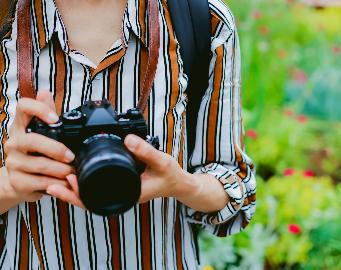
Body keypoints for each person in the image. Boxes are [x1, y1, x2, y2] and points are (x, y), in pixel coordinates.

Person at [0, 0, 256, 268]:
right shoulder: (7, 22)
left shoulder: (204, 19)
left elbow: (233, 182)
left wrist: (180, 184)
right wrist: (10, 184)